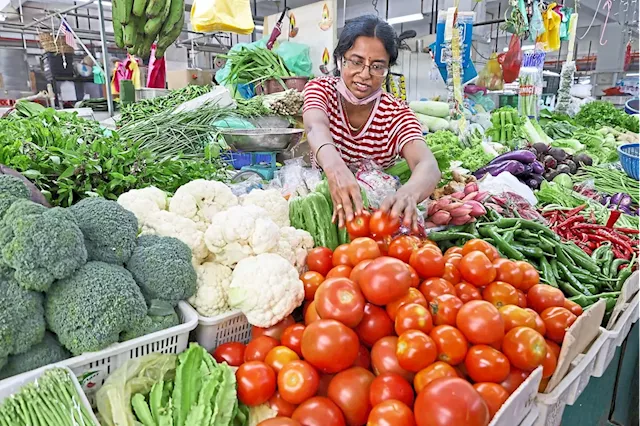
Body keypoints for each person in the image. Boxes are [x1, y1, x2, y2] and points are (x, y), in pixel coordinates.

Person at [303, 15, 441, 231]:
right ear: (341, 59)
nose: (365, 74)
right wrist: (336, 168)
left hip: (373, 221)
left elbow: (428, 166)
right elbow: (314, 126)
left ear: (388, 68)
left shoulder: (396, 113)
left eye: (377, 66)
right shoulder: (321, 90)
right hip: (322, 212)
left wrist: (408, 193)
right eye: (356, 62)